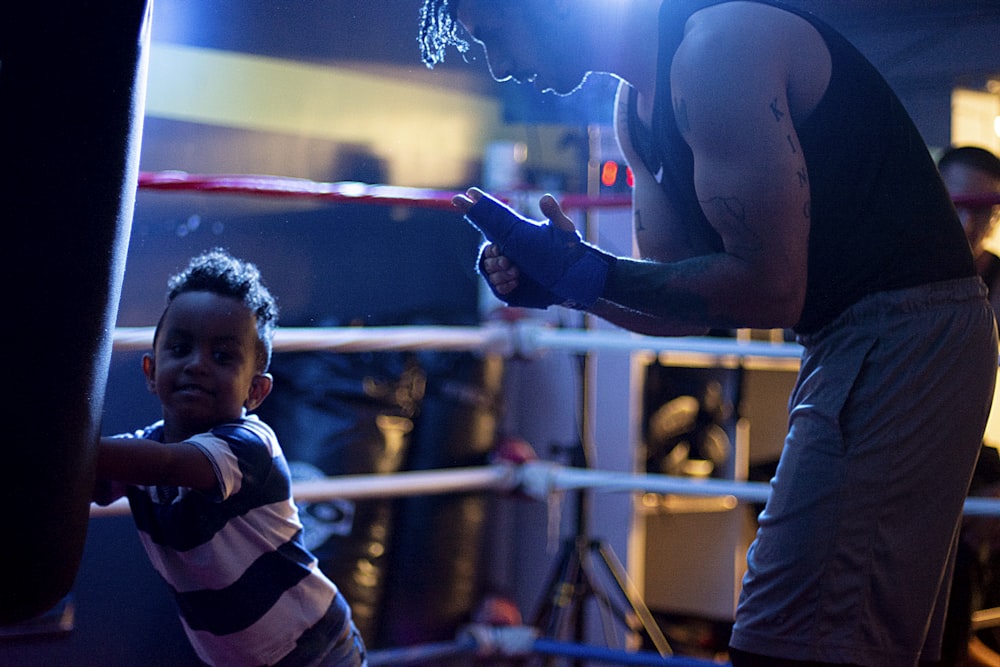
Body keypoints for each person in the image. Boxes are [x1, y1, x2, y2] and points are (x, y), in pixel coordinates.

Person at [418, 1, 998, 666]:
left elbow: (773, 286)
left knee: (790, 642)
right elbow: (686, 305)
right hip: (864, 338)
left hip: (905, 332)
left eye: (494, 34)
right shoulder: (635, 114)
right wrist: (567, 283)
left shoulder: (719, 49)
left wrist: (584, 271)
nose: (499, 66)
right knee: (852, 640)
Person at [93, 248, 367, 667]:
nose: (197, 365)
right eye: (181, 349)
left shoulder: (248, 446)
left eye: (222, 357)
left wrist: (49, 442)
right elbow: (87, 478)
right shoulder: (143, 451)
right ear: (150, 371)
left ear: (255, 392)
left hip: (316, 648)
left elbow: (168, 466)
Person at [937, 146, 1000, 666]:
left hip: (965, 461)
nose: (965, 219)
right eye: (955, 200)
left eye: (980, 207)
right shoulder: (894, 271)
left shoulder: (998, 283)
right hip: (891, 453)